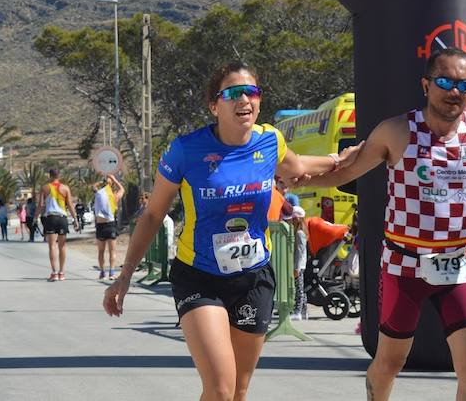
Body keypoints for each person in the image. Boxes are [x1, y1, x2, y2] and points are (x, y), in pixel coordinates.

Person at [304, 48, 466, 401]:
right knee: (389, 363)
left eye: (463, 84)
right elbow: (347, 172)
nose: (454, 91)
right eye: (444, 81)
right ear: (426, 85)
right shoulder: (396, 131)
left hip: (456, 264)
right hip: (404, 265)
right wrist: (291, 180)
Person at [103, 61, 363, 401]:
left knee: (238, 391)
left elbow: (298, 167)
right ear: (214, 105)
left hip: (254, 278)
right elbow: (153, 215)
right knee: (221, 389)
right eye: (234, 93)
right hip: (199, 276)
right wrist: (124, 276)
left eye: (252, 92)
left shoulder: (270, 141)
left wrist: (338, 158)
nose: (246, 100)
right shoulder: (186, 150)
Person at [38, 168, 79, 281]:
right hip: (62, 218)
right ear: (59, 175)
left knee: (52, 246)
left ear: (49, 175)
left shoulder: (45, 188)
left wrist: (35, 218)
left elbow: (41, 205)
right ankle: (62, 272)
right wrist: (75, 219)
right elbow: (70, 205)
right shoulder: (65, 188)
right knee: (62, 246)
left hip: (50, 218)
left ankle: (54, 273)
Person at [93, 173, 125, 279]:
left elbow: (94, 186)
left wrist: (103, 182)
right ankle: (111, 273)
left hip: (101, 225)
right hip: (110, 225)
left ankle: (103, 272)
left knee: (101, 251)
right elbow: (122, 189)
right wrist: (114, 179)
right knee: (112, 251)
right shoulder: (114, 196)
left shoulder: (98, 194)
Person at [287, 205, 308, 320]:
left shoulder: (299, 234)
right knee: (300, 287)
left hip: (298, 266)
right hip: (299, 265)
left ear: (297, 219)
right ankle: (303, 310)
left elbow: (299, 252)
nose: (291, 221)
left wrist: (297, 268)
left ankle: (298, 311)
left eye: (293, 219)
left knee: (298, 288)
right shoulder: (298, 232)